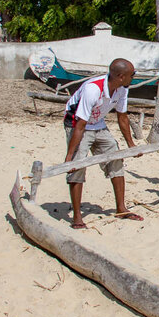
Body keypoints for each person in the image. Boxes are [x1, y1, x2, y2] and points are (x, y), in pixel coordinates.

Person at [63, 58, 143, 228]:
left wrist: (131, 145)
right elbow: (80, 125)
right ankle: (77, 216)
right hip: (77, 124)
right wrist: (70, 157)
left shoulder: (122, 88)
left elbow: (122, 116)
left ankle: (121, 208)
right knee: (77, 165)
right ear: (121, 76)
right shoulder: (93, 89)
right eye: (132, 74)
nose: (134, 77)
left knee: (115, 157)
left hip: (98, 123)